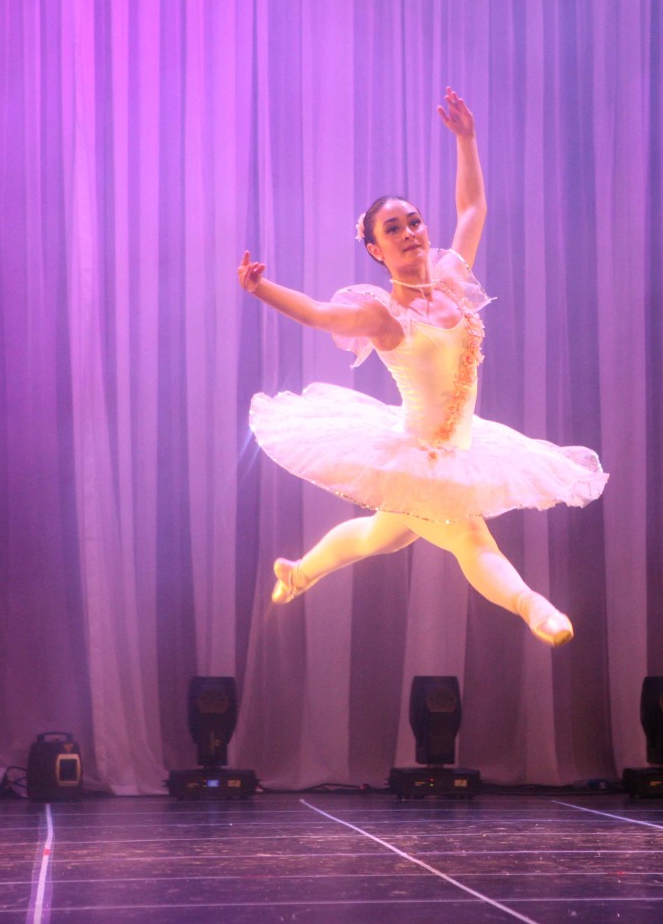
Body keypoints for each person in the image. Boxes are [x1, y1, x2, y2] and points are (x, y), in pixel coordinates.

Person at [236, 88, 607, 647]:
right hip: (422, 454)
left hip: (463, 443)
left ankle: (301, 572)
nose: (409, 233)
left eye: (414, 222)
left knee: (381, 535)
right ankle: (535, 608)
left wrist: (466, 140)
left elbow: (473, 210)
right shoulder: (384, 315)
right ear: (375, 250)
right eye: (393, 229)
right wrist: (261, 288)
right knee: (469, 538)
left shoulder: (453, 279)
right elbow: (316, 313)